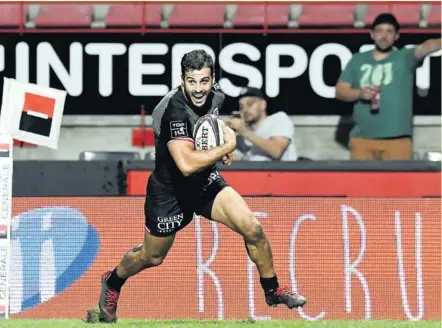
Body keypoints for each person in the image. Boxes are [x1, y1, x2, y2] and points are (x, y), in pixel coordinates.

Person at [87, 50, 306, 323]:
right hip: (169, 193)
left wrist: (220, 138)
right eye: (192, 82)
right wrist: (227, 146)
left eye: (204, 81)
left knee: (253, 228)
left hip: (205, 183)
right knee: (151, 256)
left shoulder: (216, 95)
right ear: (182, 80)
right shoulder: (173, 111)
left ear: (212, 78)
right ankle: (113, 281)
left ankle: (272, 290)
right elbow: (187, 164)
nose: (199, 88)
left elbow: (210, 122)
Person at [335, 13, 441, 160]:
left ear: (397, 36)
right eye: (379, 31)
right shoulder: (357, 60)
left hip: (397, 140)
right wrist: (359, 93)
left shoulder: (405, 57)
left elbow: (427, 47)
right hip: (362, 139)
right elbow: (340, 91)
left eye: (389, 31)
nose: (384, 36)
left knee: (399, 183)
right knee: (361, 183)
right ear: (371, 34)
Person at [226, 87, 298, 161]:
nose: (245, 110)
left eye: (250, 104)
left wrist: (244, 131)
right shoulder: (242, 134)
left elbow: (276, 151)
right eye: (241, 107)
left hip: (279, 171)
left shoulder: (278, 119)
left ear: (263, 105)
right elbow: (237, 159)